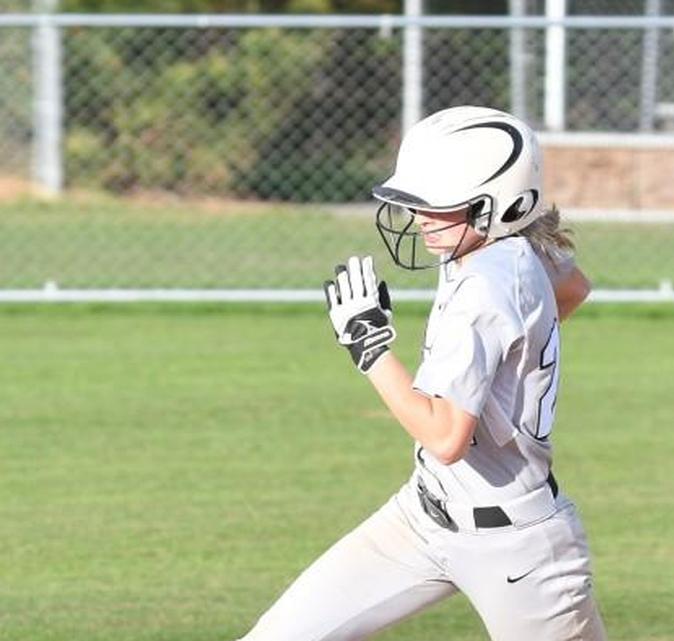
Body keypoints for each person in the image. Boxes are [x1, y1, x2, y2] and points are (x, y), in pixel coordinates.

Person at [236, 106, 605, 641]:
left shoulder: (484, 286)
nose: (423, 218)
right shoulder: (512, 247)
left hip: (517, 549)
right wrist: (512, 365)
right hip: (422, 517)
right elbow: (573, 289)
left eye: (441, 206)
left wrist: (370, 348)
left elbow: (445, 435)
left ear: (502, 205)